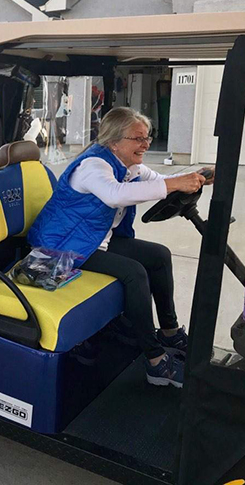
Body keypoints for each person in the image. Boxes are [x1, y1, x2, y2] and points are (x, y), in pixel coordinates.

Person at [28, 107, 213, 388]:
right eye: (138, 139)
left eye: (148, 137)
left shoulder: (131, 166)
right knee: (134, 273)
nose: (146, 144)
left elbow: (160, 182)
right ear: (115, 141)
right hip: (63, 247)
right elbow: (115, 195)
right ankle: (154, 361)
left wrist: (196, 176)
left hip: (94, 240)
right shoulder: (93, 166)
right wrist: (174, 184)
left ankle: (169, 331)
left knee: (159, 255)